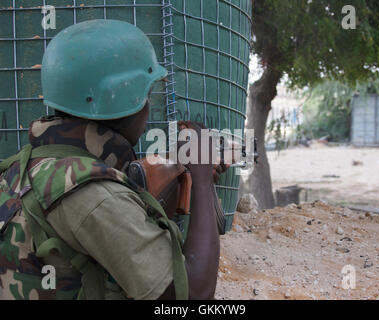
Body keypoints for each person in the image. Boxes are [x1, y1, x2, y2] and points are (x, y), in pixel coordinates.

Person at [0, 19, 219, 300]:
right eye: (146, 96)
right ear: (124, 101)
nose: (148, 107)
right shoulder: (96, 195)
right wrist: (201, 182)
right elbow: (192, 296)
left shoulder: (22, 168)